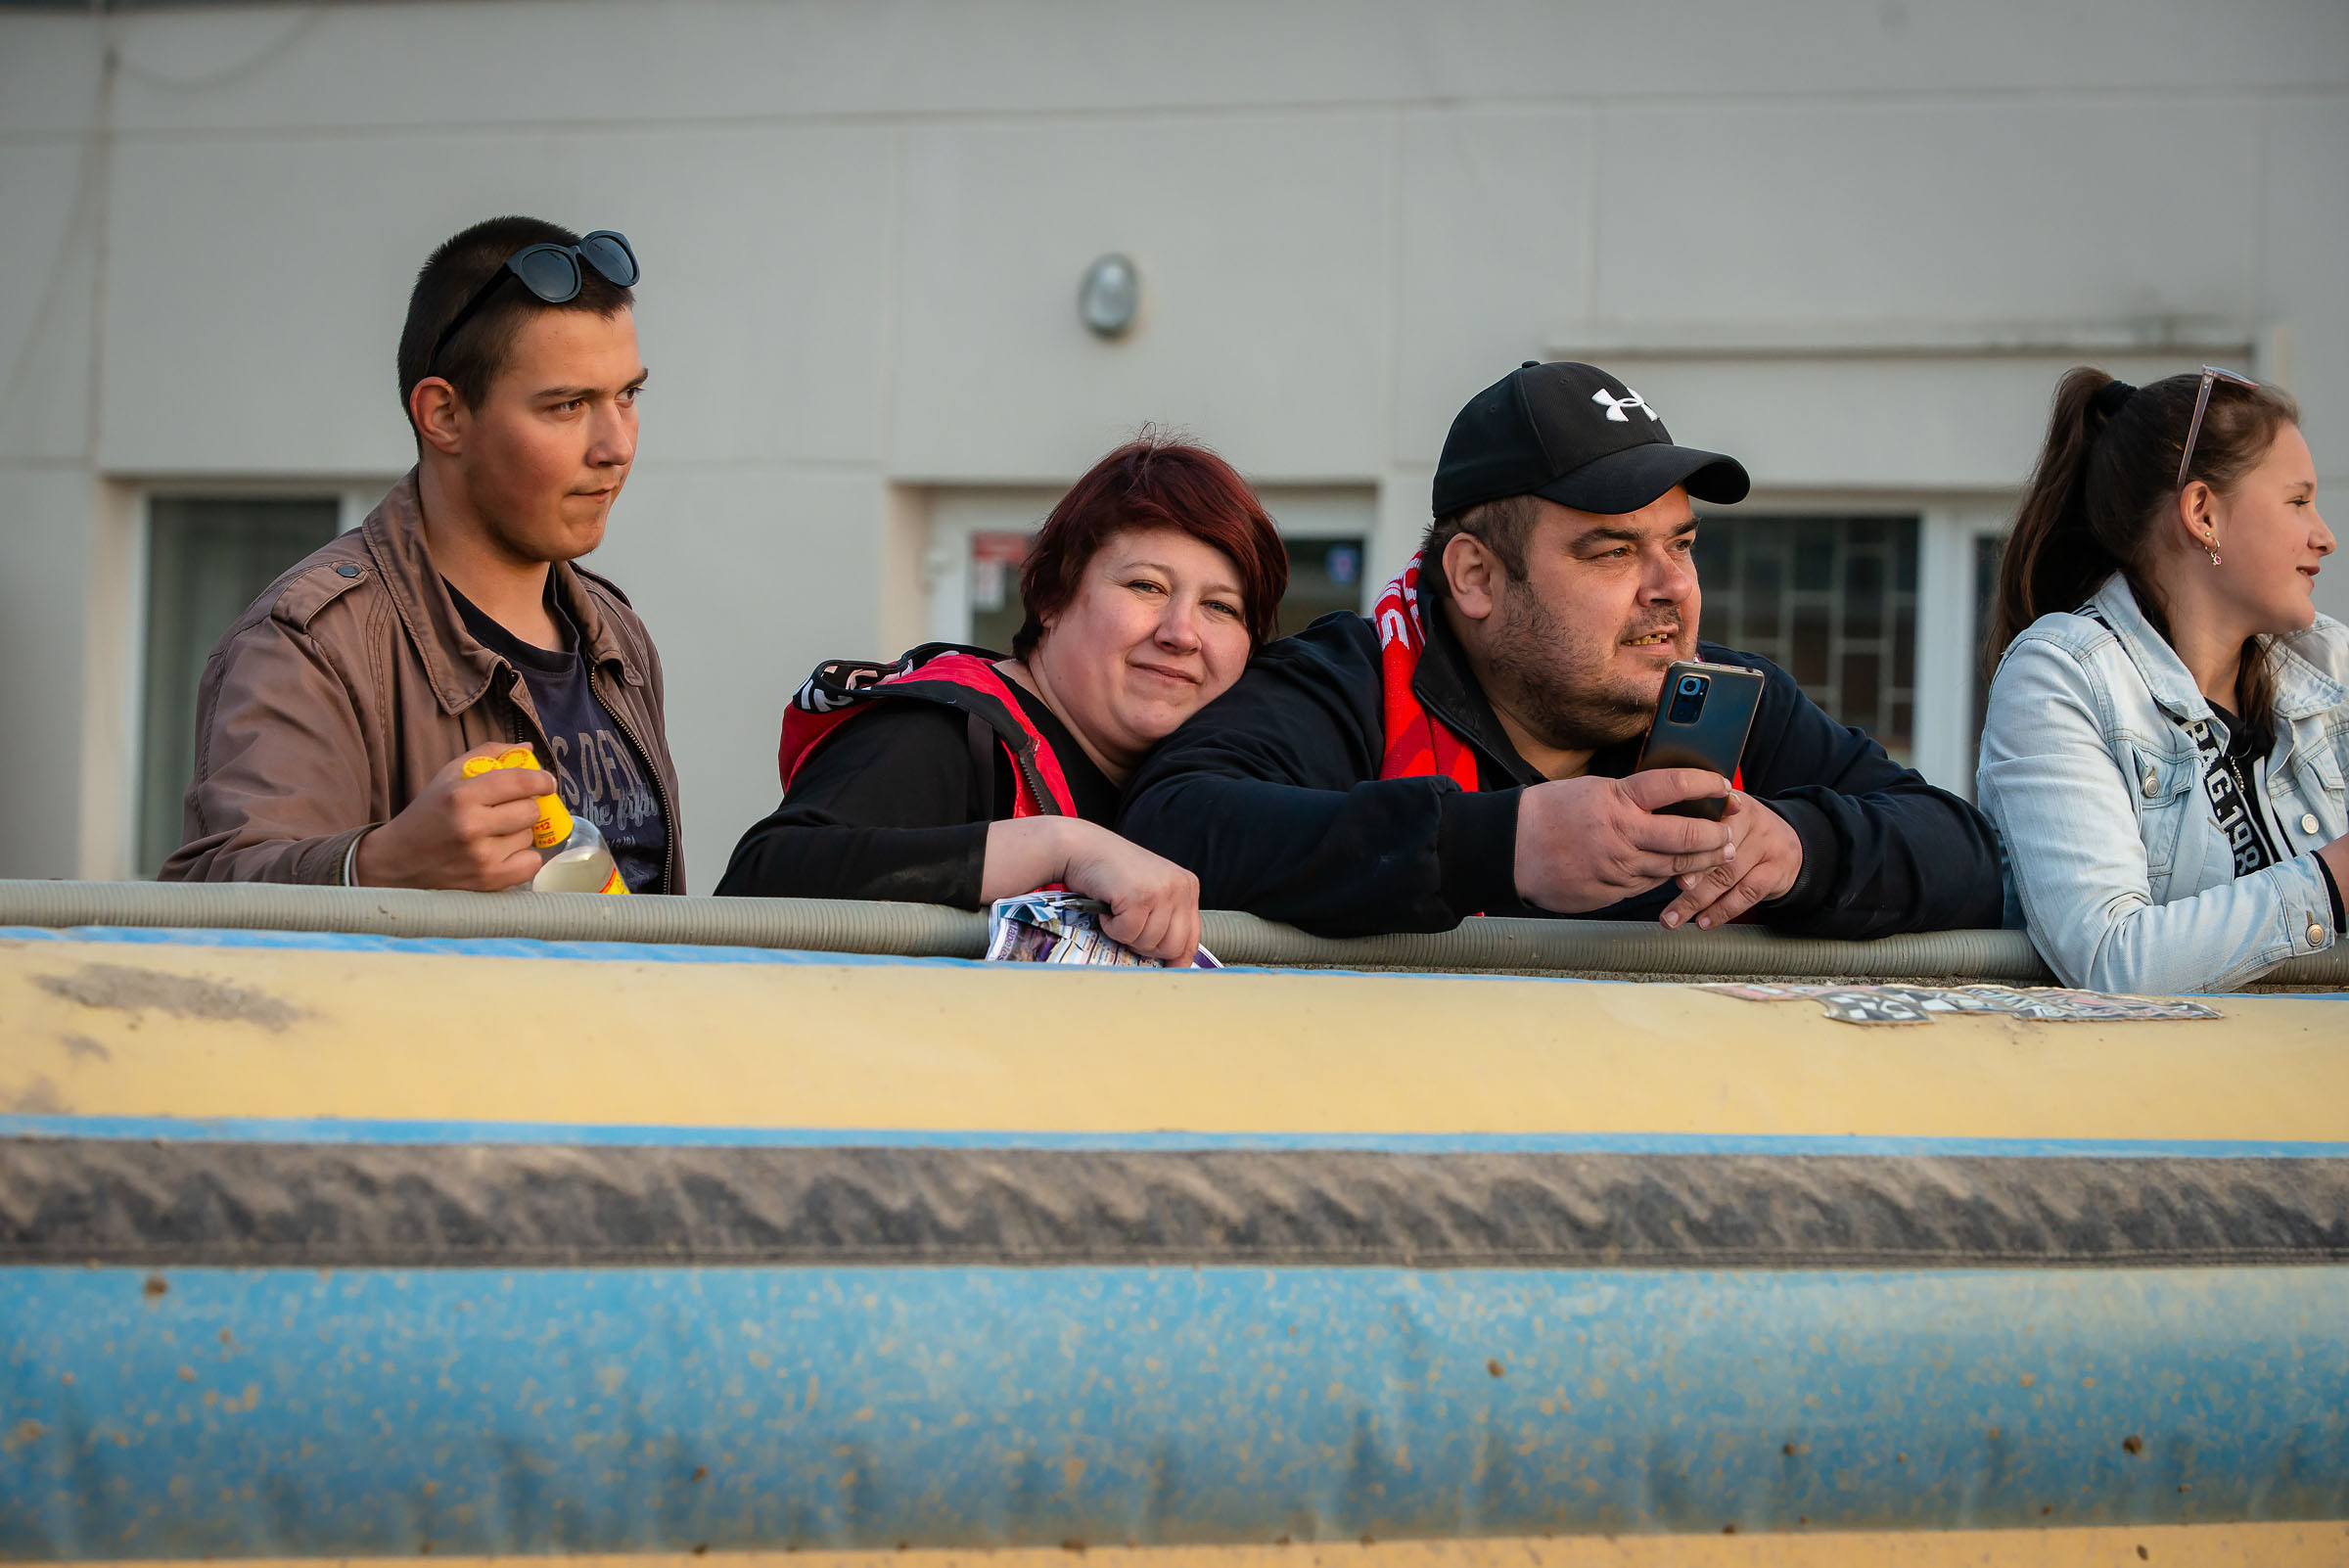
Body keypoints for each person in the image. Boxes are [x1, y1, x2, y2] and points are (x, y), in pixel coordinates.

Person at [1118, 360, 2003, 938]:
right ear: (1475, 576)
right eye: (1613, 550)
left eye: (1683, 545)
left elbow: (1966, 851)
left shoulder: (1731, 703)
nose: (1671, 587)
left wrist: (1802, 849)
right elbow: (1171, 822)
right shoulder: (1351, 681)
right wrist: (1502, 845)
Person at [162, 216, 683, 892]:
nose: (616, 444)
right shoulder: (313, 643)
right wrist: (376, 867)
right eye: (567, 405)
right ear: (443, 416)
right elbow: (214, 895)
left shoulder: (617, 634)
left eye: (628, 395)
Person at [717, 435, 1289, 962]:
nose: (1181, 633)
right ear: (1051, 596)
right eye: (1146, 586)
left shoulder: (1200, 786)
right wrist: (1059, 847)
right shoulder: (942, 732)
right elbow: (762, 879)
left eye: (1221, 607)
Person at [1979, 366, 2340, 993]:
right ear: (2203, 513)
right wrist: (2332, 880)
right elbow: (2109, 960)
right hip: (2154, 1088)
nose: (2325, 536)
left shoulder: (2327, 662)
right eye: (2298, 501)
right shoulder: (2062, 677)